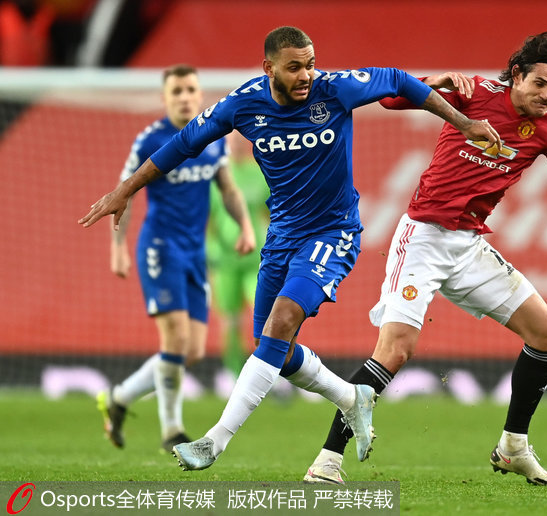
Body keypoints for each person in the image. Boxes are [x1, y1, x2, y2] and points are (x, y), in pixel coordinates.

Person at [79, 26, 502, 471]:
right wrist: (125, 189)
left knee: (281, 322)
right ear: (270, 69)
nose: (306, 75)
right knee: (273, 349)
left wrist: (464, 123)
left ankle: (213, 442)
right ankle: (351, 397)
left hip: (333, 233)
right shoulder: (243, 104)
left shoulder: (334, 90)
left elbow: (396, 79)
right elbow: (183, 144)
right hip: (281, 237)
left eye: (310, 64)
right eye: (295, 67)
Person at [303, 31, 547, 485]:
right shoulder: (474, 92)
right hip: (423, 239)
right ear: (517, 75)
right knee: (396, 350)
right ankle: (326, 462)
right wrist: (435, 82)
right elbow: (391, 100)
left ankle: (513, 447)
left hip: (469, 247)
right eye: (540, 84)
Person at [95, 64, 257, 452]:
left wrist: (246, 227)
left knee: (193, 351)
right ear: (164, 98)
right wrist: (117, 248)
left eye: (190, 90)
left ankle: (119, 397)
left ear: (199, 95)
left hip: (195, 253)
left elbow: (228, 189)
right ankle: (172, 430)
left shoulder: (213, 138)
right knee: (176, 338)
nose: (184, 97)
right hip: (160, 248)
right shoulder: (151, 140)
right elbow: (123, 193)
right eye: (177, 91)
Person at [206, 131, 270, 381]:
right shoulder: (216, 176)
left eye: (241, 139)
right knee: (230, 320)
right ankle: (233, 373)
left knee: (265, 314)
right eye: (232, 140)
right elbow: (209, 219)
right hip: (224, 261)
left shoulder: (259, 173)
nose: (237, 144)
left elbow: (269, 214)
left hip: (255, 259)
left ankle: (270, 372)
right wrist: (211, 253)